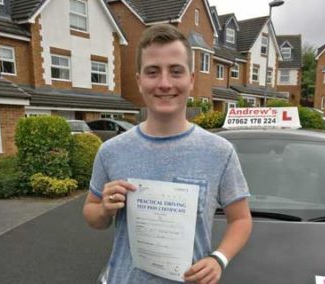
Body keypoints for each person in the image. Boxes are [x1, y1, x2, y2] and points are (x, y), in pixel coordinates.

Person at [83, 24, 252, 284]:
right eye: (153, 72)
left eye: (175, 71)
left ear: (191, 79)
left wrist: (219, 258)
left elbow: (240, 219)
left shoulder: (219, 152)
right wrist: (104, 209)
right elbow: (92, 215)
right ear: (139, 80)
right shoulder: (111, 151)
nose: (164, 83)